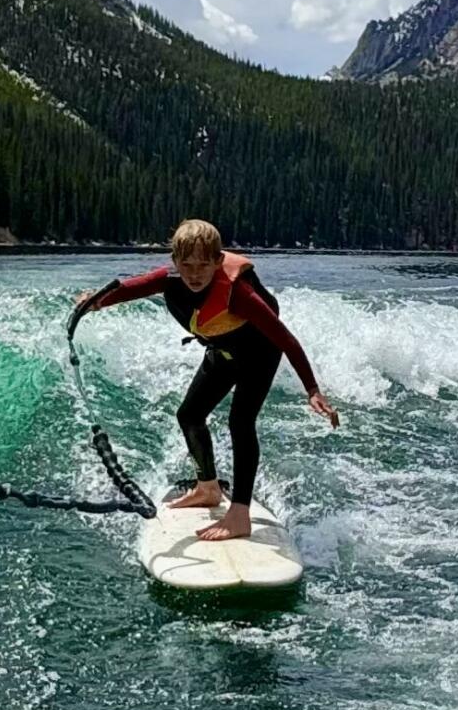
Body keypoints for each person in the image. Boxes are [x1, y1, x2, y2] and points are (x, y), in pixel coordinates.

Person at [72, 219, 337, 542]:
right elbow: (130, 288)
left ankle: (239, 513)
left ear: (217, 262)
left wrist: (312, 389)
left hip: (259, 356)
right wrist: (96, 302)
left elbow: (286, 339)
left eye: (203, 265)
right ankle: (208, 488)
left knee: (240, 422)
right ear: (175, 262)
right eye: (186, 265)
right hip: (222, 351)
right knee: (189, 415)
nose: (194, 273)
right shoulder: (169, 281)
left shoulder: (239, 295)